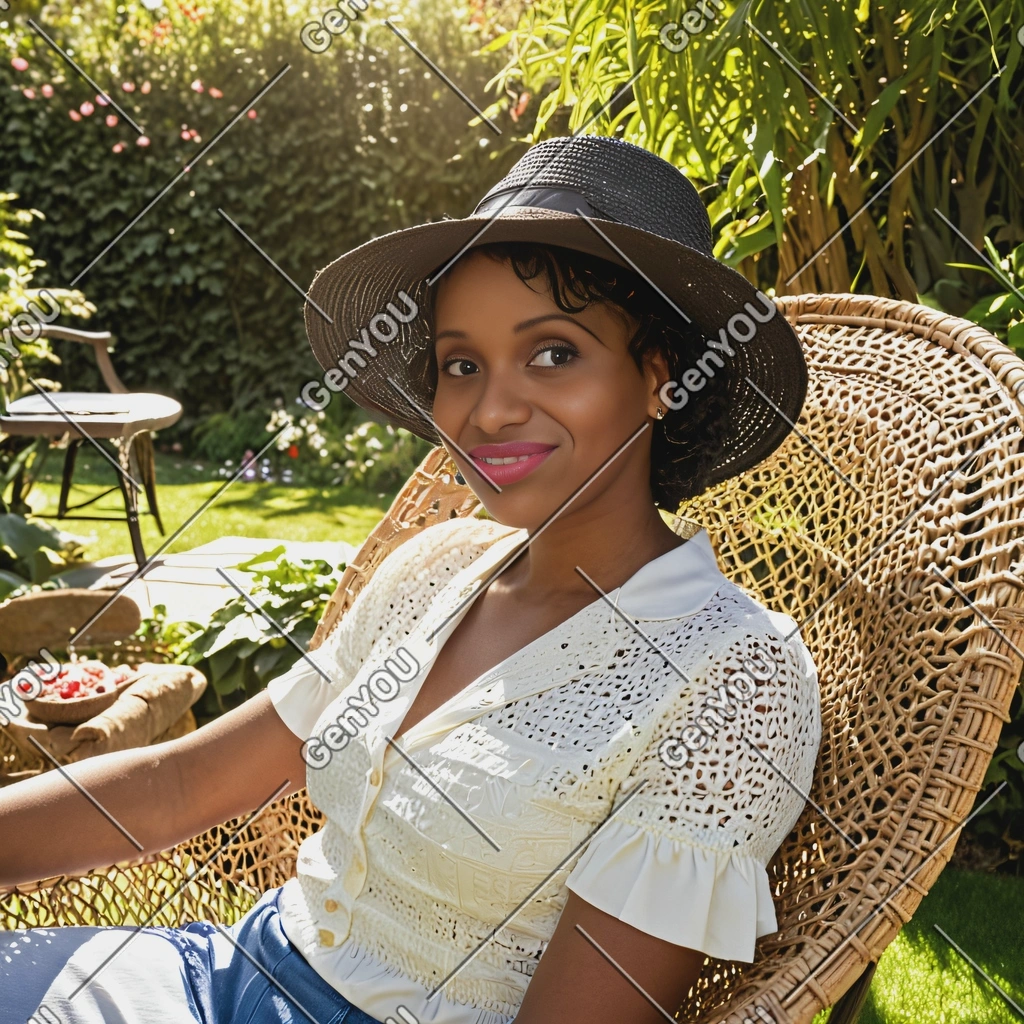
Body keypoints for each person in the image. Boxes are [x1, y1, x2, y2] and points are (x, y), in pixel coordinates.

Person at [0, 134, 822, 1024]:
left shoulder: (733, 681)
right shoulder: (436, 568)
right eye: (460, 364)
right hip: (213, 972)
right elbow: (177, 789)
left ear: (661, 375)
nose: (491, 408)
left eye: (554, 353)